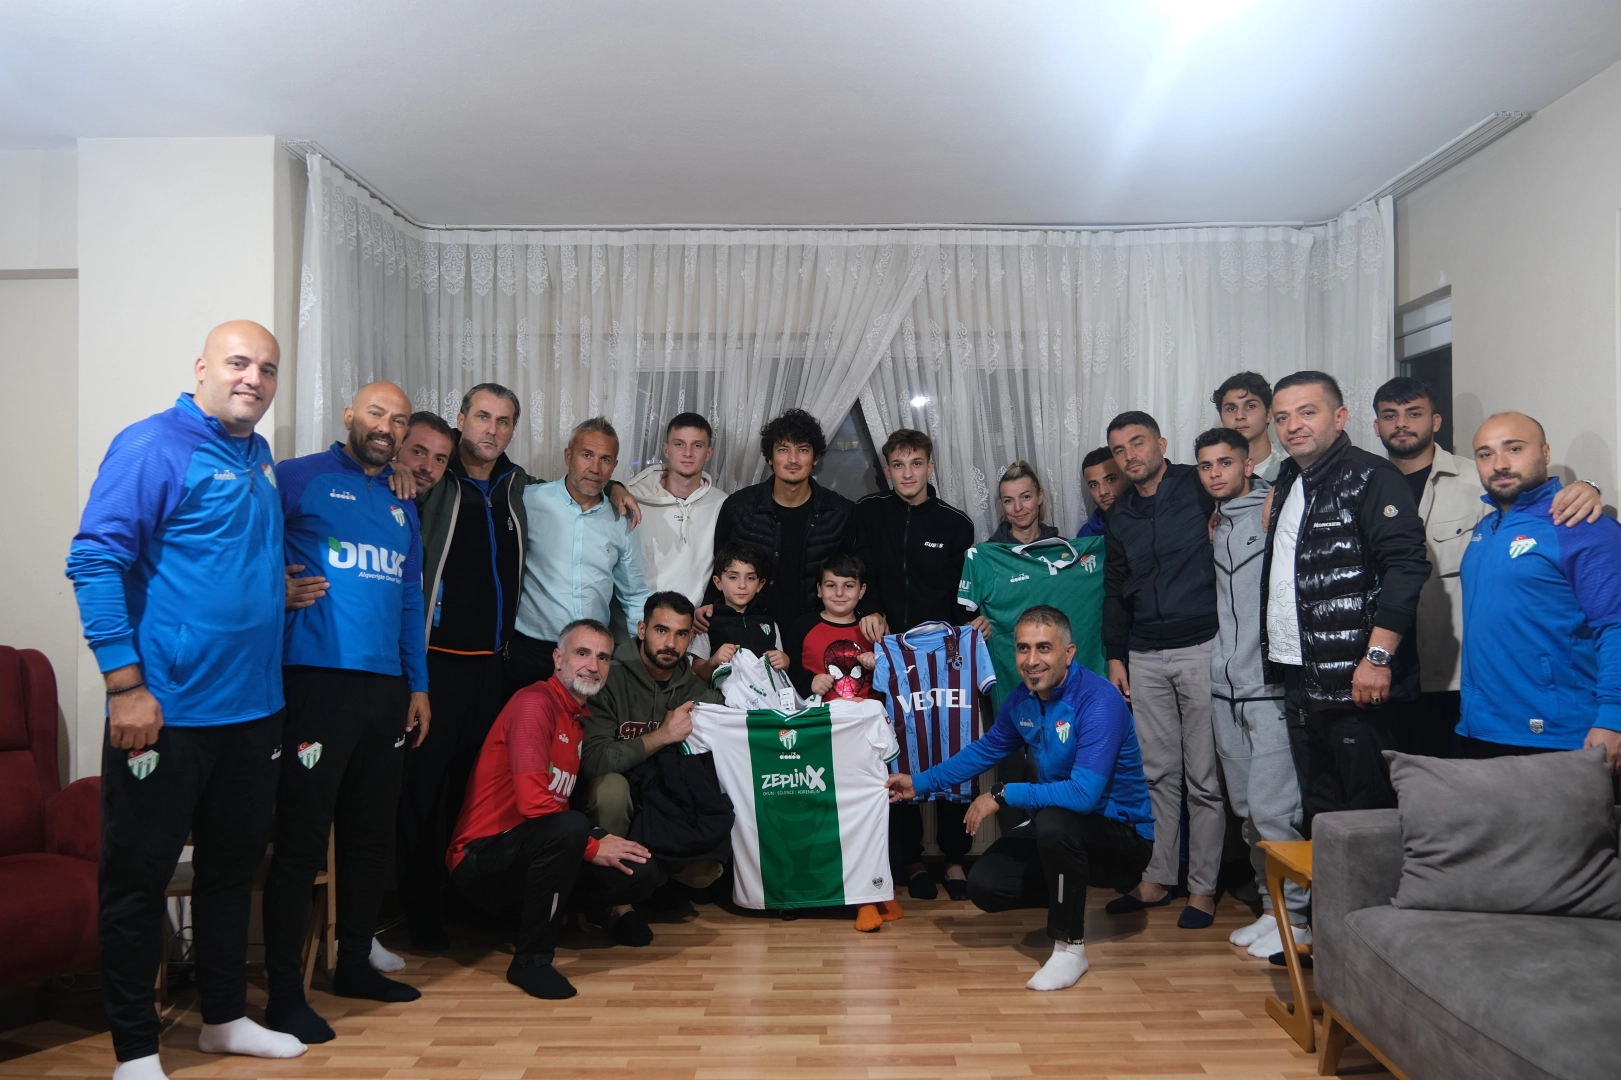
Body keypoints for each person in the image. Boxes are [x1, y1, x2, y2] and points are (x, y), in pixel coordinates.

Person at [66, 321, 307, 1080]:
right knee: (138, 881)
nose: (253, 378)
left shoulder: (258, 455)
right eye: (238, 363)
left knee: (230, 875)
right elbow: (94, 560)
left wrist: (270, 589)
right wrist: (125, 686)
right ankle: (136, 1052)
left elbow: (221, 552)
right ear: (201, 368)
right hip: (165, 715)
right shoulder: (152, 445)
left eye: (267, 368)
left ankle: (224, 1020)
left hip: (254, 712)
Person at [396, 389, 639, 948]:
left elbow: (583, 487)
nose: (492, 429)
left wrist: (614, 488)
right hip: (434, 665)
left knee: (483, 792)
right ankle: (421, 915)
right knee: (422, 793)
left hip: (495, 668)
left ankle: (477, 906)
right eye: (482, 417)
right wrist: (400, 471)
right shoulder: (434, 479)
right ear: (461, 420)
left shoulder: (516, 488)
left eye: (504, 422)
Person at [258, 382, 431, 1044]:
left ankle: (354, 964)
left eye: (400, 419)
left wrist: (418, 686)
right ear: (350, 416)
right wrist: (271, 586)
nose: (387, 426)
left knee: (369, 836)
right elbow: (246, 544)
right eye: (377, 413)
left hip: (385, 690)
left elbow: (410, 599)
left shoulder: (401, 499)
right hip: (315, 683)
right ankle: (284, 996)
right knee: (301, 841)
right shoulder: (296, 477)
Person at [887, 607, 1153, 992]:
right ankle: (1069, 893)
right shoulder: (1023, 699)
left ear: (1068, 653)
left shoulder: (1099, 700)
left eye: (1044, 648)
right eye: (1023, 648)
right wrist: (919, 783)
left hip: (1123, 838)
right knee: (986, 884)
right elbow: (985, 750)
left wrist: (1002, 793)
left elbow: (1083, 795)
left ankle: (1069, 948)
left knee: (1055, 820)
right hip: (1066, 830)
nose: (1031, 660)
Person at [1371, 378, 1601, 757]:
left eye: (1414, 413)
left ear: (1436, 421)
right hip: (1385, 666)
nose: (1402, 424)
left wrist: (1588, 487)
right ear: (1376, 425)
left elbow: (1537, 512)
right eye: (1390, 415)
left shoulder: (1477, 479)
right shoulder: (1364, 483)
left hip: (1457, 673)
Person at [447, 620, 660, 1001]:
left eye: (603, 657)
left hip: (532, 848)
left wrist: (589, 850)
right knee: (572, 828)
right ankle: (531, 962)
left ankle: (551, 913)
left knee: (638, 871)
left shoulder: (576, 719)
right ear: (558, 659)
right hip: (480, 857)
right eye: (582, 653)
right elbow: (534, 804)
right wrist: (591, 847)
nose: (593, 665)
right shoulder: (534, 703)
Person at [1261, 371, 1431, 826]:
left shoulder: (1372, 475)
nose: (1293, 425)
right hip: (1301, 677)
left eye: (1307, 412)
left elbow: (1406, 566)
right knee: (1322, 816)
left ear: (1339, 417)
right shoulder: (1290, 480)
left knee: (1369, 820)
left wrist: (1378, 657)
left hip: (1358, 681)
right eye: (1282, 417)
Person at [1100, 410, 1224, 929]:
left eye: (1138, 443)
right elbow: (1114, 590)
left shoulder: (1198, 486)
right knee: (1157, 774)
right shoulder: (1120, 514)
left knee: (1204, 779)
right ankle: (1157, 878)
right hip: (1145, 654)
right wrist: (1115, 655)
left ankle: (1203, 889)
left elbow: (1245, 494)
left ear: (1161, 444)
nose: (1130, 456)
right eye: (1120, 450)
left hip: (1202, 645)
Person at [1193, 428, 1309, 959]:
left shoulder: (1278, 509)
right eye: (1206, 466)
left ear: (1247, 464)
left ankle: (1299, 921)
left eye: (1225, 463)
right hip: (1225, 687)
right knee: (1247, 812)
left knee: (1274, 810)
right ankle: (1271, 909)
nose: (1215, 473)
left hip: (1269, 686)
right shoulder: (1216, 521)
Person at [1456, 412, 1621, 769]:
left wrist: (1614, 717)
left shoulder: (1583, 526)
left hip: (1559, 735)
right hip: (1482, 728)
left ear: (1545, 452)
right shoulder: (1486, 528)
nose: (1499, 464)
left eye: (1514, 448)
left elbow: (1616, 625)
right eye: (1485, 454)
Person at [580, 591, 725, 911]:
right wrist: (662, 736)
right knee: (611, 788)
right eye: (662, 630)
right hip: (619, 801)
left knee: (704, 872)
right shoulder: (608, 677)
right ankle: (614, 901)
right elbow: (592, 761)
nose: (670, 643)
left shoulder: (697, 690)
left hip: (664, 802)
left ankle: (661, 877)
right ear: (642, 629)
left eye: (681, 634)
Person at [509, 417, 651, 689]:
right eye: (587, 455)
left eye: (605, 459)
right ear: (568, 456)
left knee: (585, 719)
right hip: (531, 650)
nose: (595, 468)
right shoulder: (529, 501)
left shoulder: (621, 519)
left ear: (614, 466)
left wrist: (643, 655)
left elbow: (634, 594)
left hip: (592, 656)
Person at [705, 408, 857, 631]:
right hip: (750, 629)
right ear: (770, 458)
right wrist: (709, 608)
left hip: (816, 630)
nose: (793, 459)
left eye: (802, 450)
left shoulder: (841, 512)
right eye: (783, 450)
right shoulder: (738, 508)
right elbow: (719, 568)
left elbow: (853, 574)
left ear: (815, 458)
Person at [853, 428, 976, 638]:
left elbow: (960, 591)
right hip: (880, 638)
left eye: (916, 464)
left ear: (930, 468)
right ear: (887, 471)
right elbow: (861, 570)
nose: (907, 474)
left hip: (938, 641)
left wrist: (971, 623)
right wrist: (870, 609)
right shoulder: (867, 511)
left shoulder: (956, 524)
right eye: (898, 465)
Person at [624, 413, 727, 655]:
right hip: (640, 625)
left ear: (709, 453)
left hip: (695, 630)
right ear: (666, 449)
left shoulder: (722, 504)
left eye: (697, 445)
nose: (688, 453)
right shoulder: (633, 500)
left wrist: (710, 606)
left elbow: (726, 566)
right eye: (679, 444)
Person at [785, 553, 879, 700]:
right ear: (819, 589)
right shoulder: (802, 626)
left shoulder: (873, 628)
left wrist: (881, 664)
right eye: (831, 585)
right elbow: (788, 671)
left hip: (869, 711)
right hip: (821, 712)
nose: (839, 593)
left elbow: (898, 677)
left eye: (848, 586)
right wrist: (809, 682)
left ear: (862, 591)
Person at [693, 542, 790, 682]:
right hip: (723, 695)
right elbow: (697, 672)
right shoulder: (707, 622)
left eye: (750, 578)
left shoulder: (769, 623)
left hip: (766, 695)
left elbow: (780, 674)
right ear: (718, 582)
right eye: (733, 577)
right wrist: (713, 661)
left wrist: (785, 662)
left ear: (760, 584)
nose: (742, 585)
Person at [1213, 371, 1281, 482]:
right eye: (1231, 409)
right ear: (1221, 418)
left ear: (1269, 414)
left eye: (1250, 406)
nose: (1239, 416)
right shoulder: (1212, 472)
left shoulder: (1294, 465)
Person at [988, 459, 1059, 545]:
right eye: (1008, 501)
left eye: (1026, 497)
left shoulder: (1064, 548)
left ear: (1040, 496)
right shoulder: (988, 551)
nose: (1018, 508)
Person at [397, 411, 455, 491]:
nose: (428, 468)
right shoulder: (378, 489)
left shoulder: (451, 493)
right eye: (418, 452)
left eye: (439, 460)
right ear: (396, 448)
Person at [1078, 447, 1127, 538]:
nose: (1103, 492)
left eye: (1111, 480)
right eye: (1094, 485)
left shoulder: (1149, 523)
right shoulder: (1085, 535)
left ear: (1128, 477)